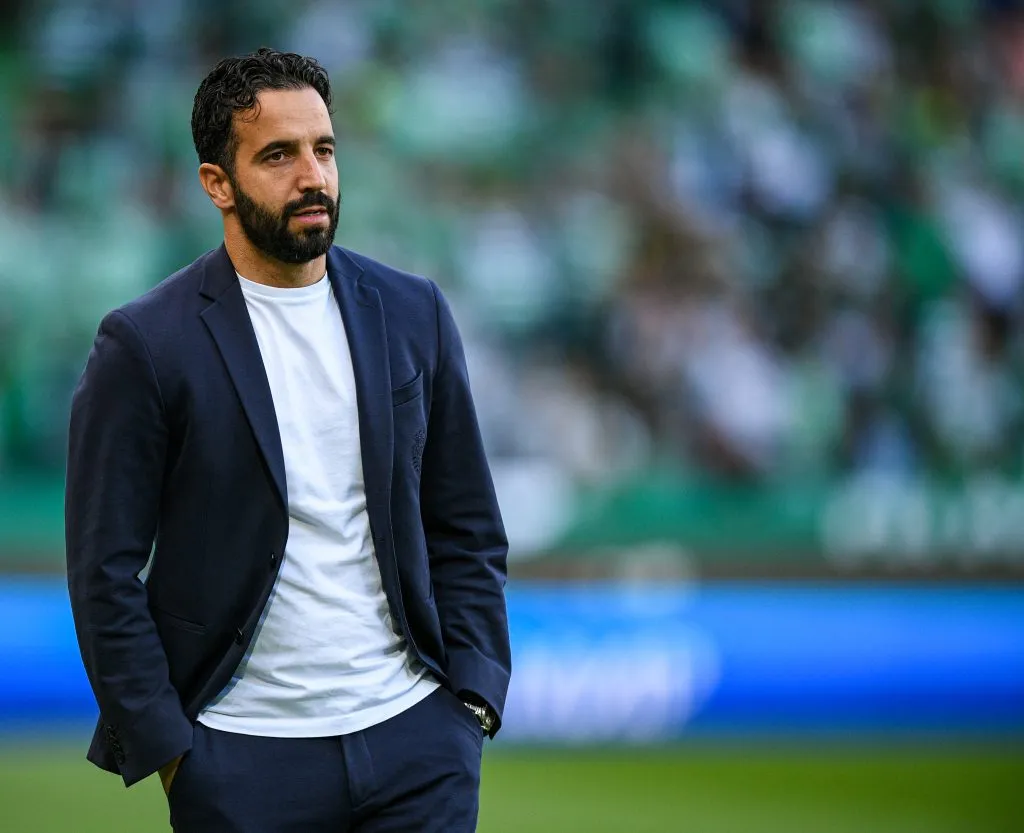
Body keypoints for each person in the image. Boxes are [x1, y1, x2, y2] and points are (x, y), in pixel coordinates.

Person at [64, 47, 510, 832]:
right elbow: (102, 569)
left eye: (325, 149)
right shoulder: (144, 344)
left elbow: (467, 522)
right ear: (217, 184)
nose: (313, 175)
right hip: (241, 761)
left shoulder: (414, 313)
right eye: (279, 154)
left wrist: (469, 699)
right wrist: (173, 752)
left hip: (418, 744)